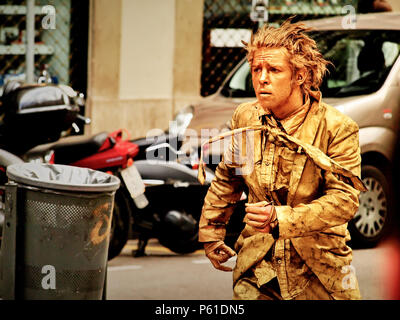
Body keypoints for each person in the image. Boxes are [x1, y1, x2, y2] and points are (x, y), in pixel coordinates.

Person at [197, 19, 367, 300]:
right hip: (258, 268)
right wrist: (212, 232)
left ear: (299, 76)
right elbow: (228, 177)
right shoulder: (246, 117)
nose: (262, 78)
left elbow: (344, 201)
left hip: (319, 271)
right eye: (256, 69)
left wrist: (279, 217)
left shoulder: (336, 127)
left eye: (274, 70)